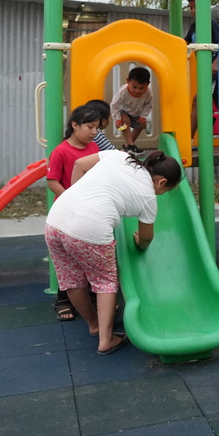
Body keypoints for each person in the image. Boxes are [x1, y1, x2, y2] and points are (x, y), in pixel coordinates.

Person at [45, 149, 182, 354]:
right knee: (105, 282)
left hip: (55, 220)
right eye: (167, 190)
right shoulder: (148, 198)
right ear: (162, 182)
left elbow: (79, 164)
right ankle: (106, 339)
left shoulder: (120, 156)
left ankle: (94, 323)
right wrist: (139, 243)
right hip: (90, 228)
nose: (163, 194)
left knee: (71, 279)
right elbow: (146, 237)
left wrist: (78, 199)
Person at [47, 104, 102, 320]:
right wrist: (71, 200)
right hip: (68, 213)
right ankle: (62, 300)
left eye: (96, 127)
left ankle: (92, 298)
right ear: (74, 125)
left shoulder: (94, 149)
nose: (94, 132)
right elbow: (52, 182)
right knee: (67, 259)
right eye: (90, 127)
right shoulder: (61, 151)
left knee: (88, 255)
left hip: (88, 211)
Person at [185, 0, 219, 137]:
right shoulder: (194, 26)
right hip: (208, 73)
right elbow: (185, 43)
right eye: (191, 7)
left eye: (196, 7)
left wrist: (216, 65)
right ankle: (187, 140)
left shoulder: (211, 22)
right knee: (201, 102)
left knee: (218, 104)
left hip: (216, 72)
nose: (193, 11)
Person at [111, 67, 154, 153]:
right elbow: (114, 105)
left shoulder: (148, 93)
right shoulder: (123, 92)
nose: (137, 91)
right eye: (134, 87)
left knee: (141, 125)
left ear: (148, 84)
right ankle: (130, 145)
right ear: (128, 81)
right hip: (123, 112)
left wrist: (142, 117)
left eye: (142, 88)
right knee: (126, 120)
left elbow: (148, 105)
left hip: (136, 114)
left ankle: (128, 146)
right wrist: (118, 120)